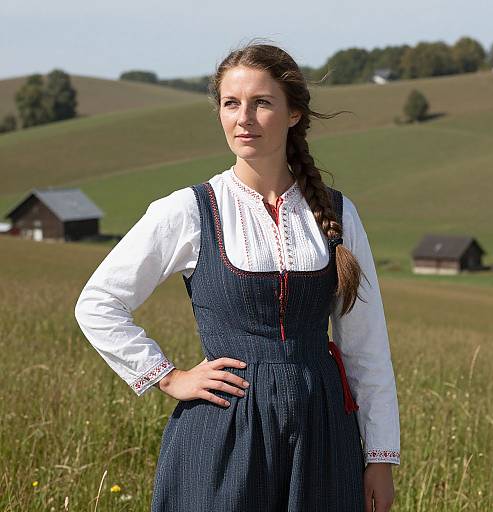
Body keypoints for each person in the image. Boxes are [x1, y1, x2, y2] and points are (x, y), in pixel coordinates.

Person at [74, 41, 400, 512]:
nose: (243, 117)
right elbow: (98, 301)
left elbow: (366, 347)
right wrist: (167, 377)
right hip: (224, 435)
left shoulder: (337, 213)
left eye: (261, 102)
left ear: (293, 114)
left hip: (324, 434)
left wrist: (380, 458)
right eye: (231, 103)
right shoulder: (188, 210)